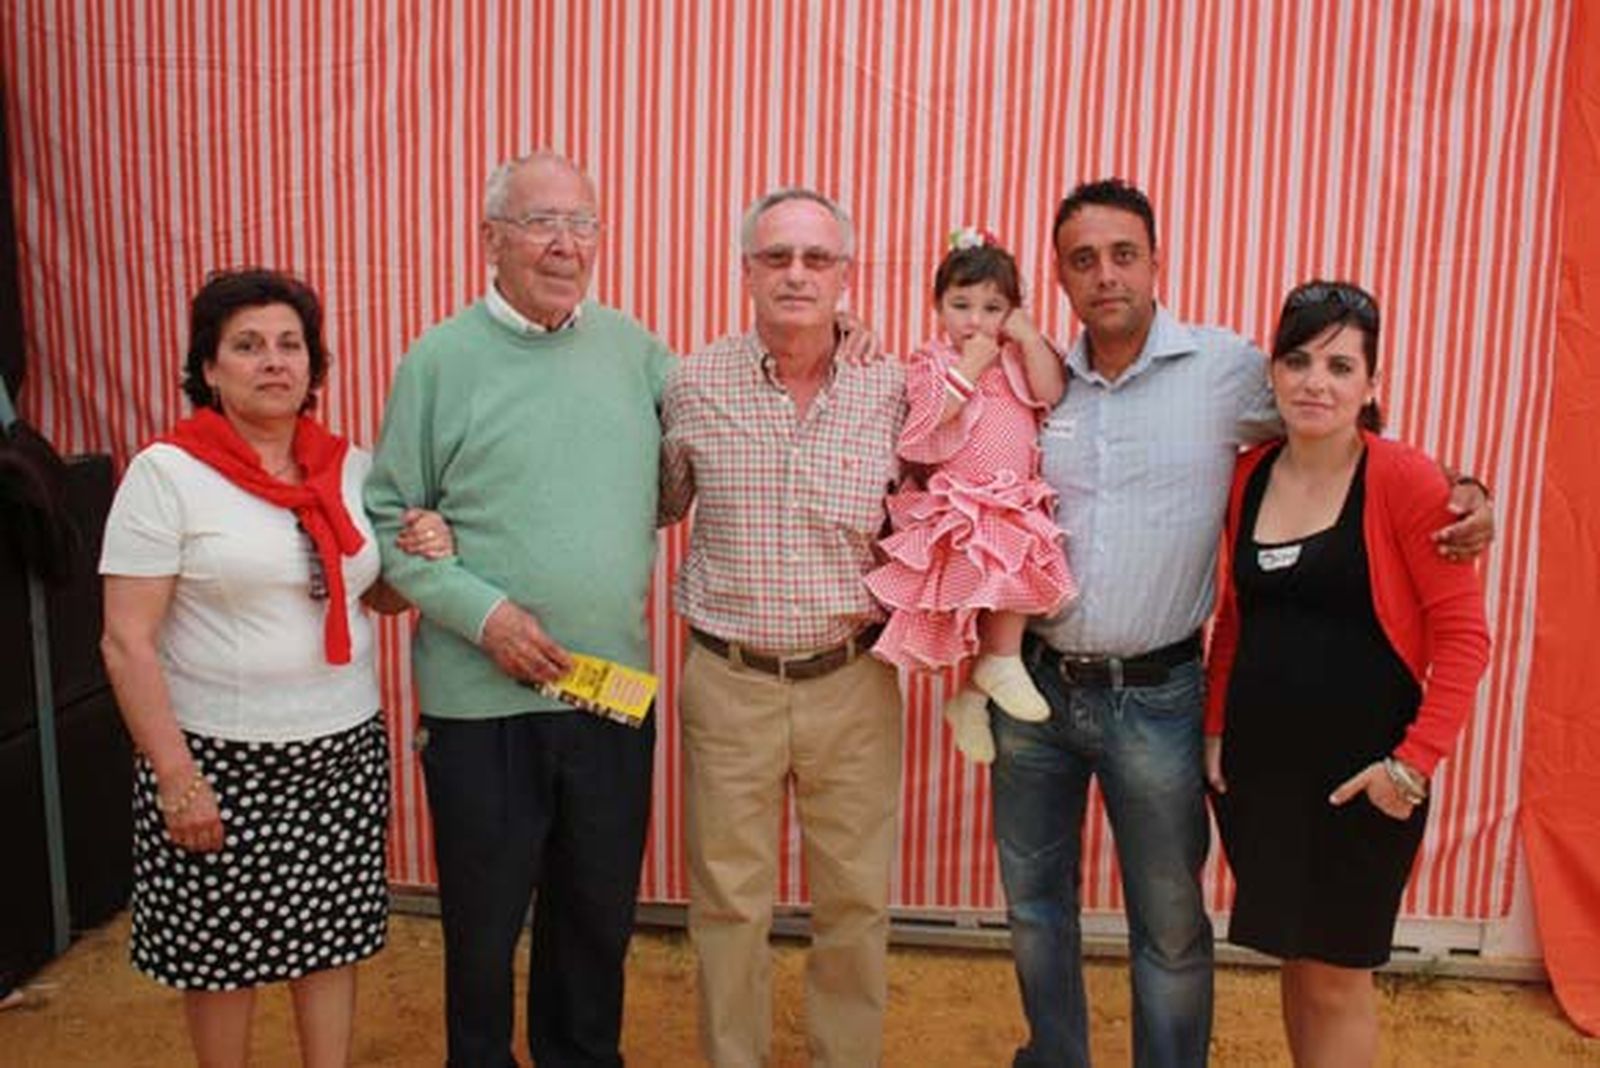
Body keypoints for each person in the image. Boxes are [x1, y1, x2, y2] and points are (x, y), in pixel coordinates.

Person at [991, 178, 1494, 1068]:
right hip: (1036, 689)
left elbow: (1350, 431)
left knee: (1174, 925)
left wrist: (1467, 490)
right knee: (1034, 908)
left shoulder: (1222, 373)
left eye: (1123, 254)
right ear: (1061, 280)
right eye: (1082, 260)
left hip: (1156, 695)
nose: (1105, 275)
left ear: (1156, 263)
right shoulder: (1031, 380)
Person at [364, 151, 675, 1068]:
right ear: (491, 237)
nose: (565, 244)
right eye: (542, 222)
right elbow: (387, 523)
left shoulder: (636, 349)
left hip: (611, 696)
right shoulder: (437, 360)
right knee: (484, 933)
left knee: (595, 926)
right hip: (480, 705)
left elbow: (720, 427)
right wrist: (485, 614)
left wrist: (840, 336)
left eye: (583, 223)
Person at [98, 268, 443, 1067]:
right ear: (210, 368)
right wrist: (176, 774)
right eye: (247, 346)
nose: (273, 361)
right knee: (224, 958)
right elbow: (126, 641)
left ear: (314, 368)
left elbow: (375, 597)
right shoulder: (168, 474)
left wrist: (418, 552)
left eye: (291, 345)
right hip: (217, 756)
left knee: (329, 938)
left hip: (340, 746)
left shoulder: (349, 468)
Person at [1203, 280, 1490, 1067]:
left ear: (1372, 385)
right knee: (1298, 965)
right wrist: (1218, 728)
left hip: (1362, 778)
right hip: (1264, 772)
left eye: (1339, 365)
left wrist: (1412, 766)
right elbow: (1238, 616)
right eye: (1297, 361)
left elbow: (1466, 638)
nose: (1315, 382)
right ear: (1273, 373)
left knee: (1339, 977)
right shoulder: (1249, 474)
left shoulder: (1407, 481)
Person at [658, 187, 905, 1068]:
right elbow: (644, 501)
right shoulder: (690, 382)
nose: (796, 274)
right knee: (729, 905)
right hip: (728, 682)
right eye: (777, 257)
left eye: (816, 258)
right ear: (746, 271)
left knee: (856, 902)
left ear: (846, 274)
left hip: (855, 678)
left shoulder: (898, 386)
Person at [864, 228, 1075, 763]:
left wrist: (1027, 339)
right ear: (937, 306)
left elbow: (1052, 392)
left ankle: (977, 695)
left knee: (1019, 581)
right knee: (990, 586)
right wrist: (970, 367)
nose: (975, 321)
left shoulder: (1015, 357)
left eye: (992, 307)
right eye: (960, 305)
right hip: (961, 498)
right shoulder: (932, 362)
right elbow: (927, 423)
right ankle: (990, 672)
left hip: (1014, 493)